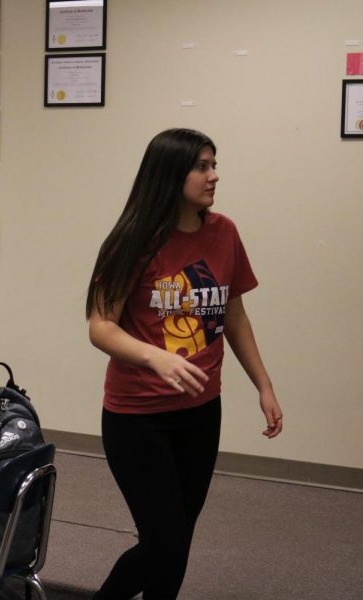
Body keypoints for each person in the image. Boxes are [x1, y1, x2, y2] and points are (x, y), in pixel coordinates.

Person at [85, 128, 283, 599]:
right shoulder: (132, 241)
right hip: (137, 418)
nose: (214, 176)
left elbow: (233, 313)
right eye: (202, 166)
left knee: (176, 544)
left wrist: (264, 385)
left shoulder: (224, 233)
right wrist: (157, 359)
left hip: (200, 413)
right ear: (171, 175)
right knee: (164, 542)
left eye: (214, 165)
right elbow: (100, 326)